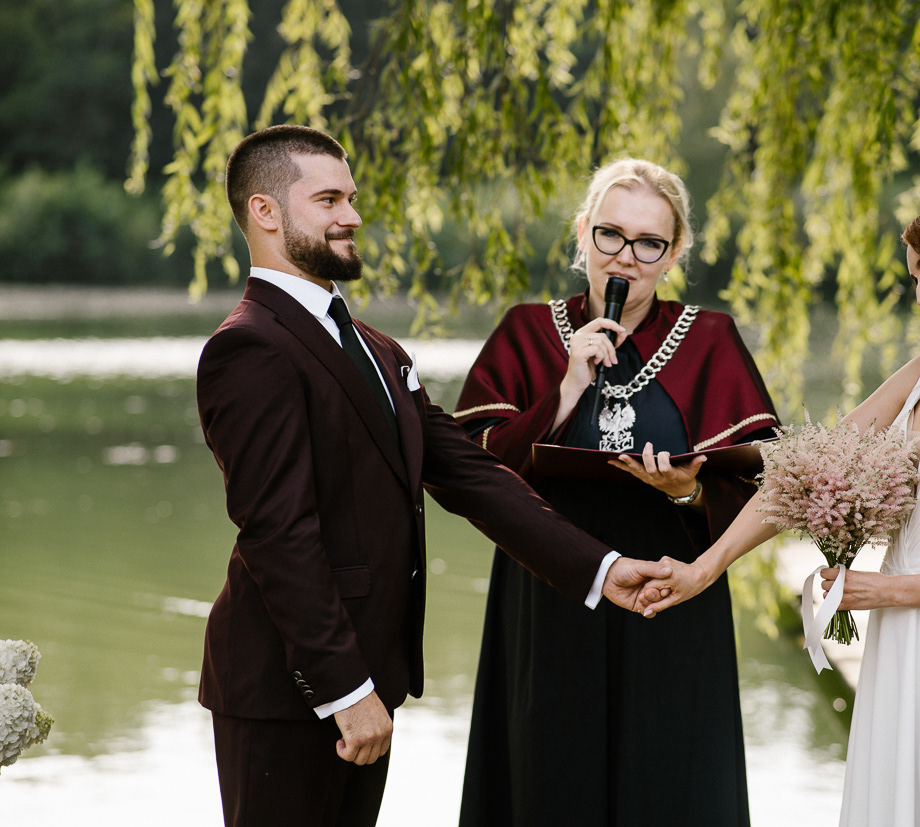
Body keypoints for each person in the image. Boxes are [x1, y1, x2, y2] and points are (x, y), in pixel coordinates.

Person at [196, 125, 669, 827]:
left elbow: (471, 474)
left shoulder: (373, 346)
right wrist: (344, 689)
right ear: (265, 212)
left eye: (351, 197)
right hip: (290, 689)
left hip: (368, 678)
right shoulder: (250, 348)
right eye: (328, 200)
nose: (353, 215)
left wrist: (601, 568)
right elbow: (278, 533)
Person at [643, 192, 920, 826]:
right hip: (896, 649)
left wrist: (886, 590)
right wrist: (703, 569)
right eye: (915, 277)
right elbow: (801, 477)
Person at [454, 158, 779, 826]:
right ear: (583, 233)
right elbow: (473, 473)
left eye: (648, 243)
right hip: (548, 595)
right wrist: (566, 388)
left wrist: (689, 492)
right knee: (547, 778)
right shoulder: (525, 331)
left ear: (674, 253)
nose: (625, 257)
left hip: (669, 595)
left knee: (669, 782)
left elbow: (764, 483)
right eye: (610, 234)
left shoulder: (710, 339)